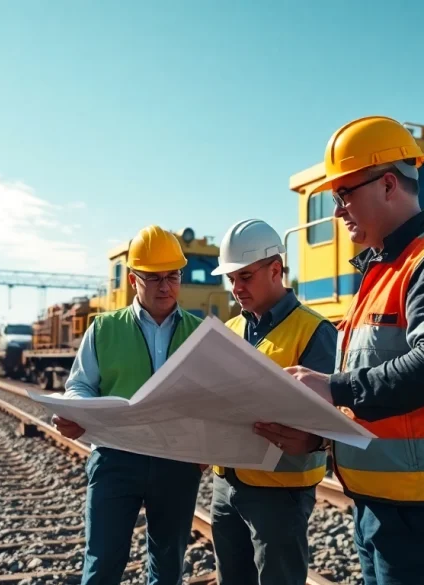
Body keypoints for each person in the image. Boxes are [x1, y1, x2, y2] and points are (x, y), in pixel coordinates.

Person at [283, 116, 424, 585]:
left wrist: (332, 386)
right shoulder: (383, 270)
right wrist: (324, 434)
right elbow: (381, 391)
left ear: (388, 184)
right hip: (388, 499)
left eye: (344, 194)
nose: (338, 209)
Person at [52, 225, 205, 585]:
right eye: (154, 278)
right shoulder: (103, 329)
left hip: (177, 463)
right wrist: (77, 411)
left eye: (172, 276)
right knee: (103, 562)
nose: (165, 286)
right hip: (115, 459)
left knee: (168, 567)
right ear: (134, 279)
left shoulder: (200, 333)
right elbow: (79, 386)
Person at [207, 218, 337, 585]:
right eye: (231, 279)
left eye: (245, 276)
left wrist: (314, 438)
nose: (236, 288)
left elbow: (335, 416)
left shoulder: (315, 331)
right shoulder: (230, 330)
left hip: (280, 492)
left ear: (276, 269)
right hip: (225, 484)